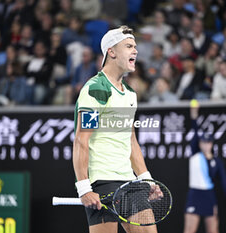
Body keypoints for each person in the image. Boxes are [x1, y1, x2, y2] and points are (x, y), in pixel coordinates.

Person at [73, 25, 161, 233]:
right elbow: (81, 140)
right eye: (129, 46)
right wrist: (84, 187)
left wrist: (146, 179)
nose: (135, 51)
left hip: (129, 181)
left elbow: (130, 140)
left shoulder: (130, 94)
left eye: (135, 46)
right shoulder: (97, 90)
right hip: (103, 182)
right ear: (111, 52)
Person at [183, 102, 226, 233]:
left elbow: (224, 181)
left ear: (212, 144)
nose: (205, 145)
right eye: (203, 142)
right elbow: (195, 132)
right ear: (200, 143)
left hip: (209, 195)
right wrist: (194, 115)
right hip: (195, 194)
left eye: (208, 142)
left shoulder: (217, 162)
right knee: (189, 230)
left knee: (213, 230)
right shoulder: (195, 153)